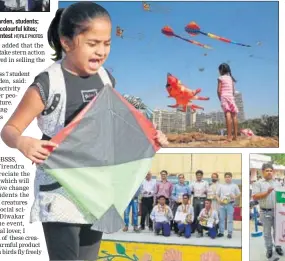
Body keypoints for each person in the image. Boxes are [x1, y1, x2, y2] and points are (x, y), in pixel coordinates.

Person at [0, 3, 168, 260]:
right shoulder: (48, 83)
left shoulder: (105, 78)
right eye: (92, 43)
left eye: (107, 43)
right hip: (59, 187)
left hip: (96, 185)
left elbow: (118, 122)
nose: (101, 51)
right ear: (66, 43)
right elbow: (9, 129)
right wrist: (23, 142)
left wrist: (150, 135)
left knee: (88, 257)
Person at [252, 163, 284, 259]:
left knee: (277, 231)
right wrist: (267, 192)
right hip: (265, 211)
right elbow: (255, 196)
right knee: (266, 232)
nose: (269, 172)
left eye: (271, 171)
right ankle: (269, 249)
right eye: (267, 171)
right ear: (262, 172)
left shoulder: (278, 183)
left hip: (277, 211)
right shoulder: (258, 183)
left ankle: (278, 247)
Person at [217, 63, 239, 142]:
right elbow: (233, 90)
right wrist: (232, 97)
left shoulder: (220, 78)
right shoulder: (231, 78)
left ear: (221, 70)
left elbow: (219, 90)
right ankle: (236, 136)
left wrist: (220, 99)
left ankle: (229, 137)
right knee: (234, 115)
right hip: (231, 97)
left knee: (227, 114)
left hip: (224, 97)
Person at [217, 172, 241, 239]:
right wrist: (219, 200)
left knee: (230, 219)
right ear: (224, 178)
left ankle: (229, 233)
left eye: (229, 177)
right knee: (221, 219)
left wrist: (234, 197)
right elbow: (217, 194)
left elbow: (239, 194)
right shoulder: (221, 186)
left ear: (231, 178)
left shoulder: (234, 185)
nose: (227, 178)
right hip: (222, 204)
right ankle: (221, 232)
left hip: (230, 204)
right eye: (226, 177)